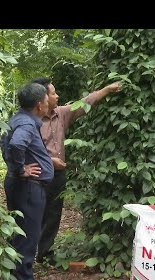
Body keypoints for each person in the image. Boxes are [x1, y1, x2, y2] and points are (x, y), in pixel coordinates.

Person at [31, 77, 122, 264]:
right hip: (36, 174)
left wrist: (106, 89)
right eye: (53, 93)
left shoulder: (61, 113)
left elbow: (85, 103)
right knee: (34, 212)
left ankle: (44, 253)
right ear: (43, 98)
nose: (57, 96)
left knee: (53, 213)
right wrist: (48, 161)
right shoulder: (30, 120)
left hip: (57, 175)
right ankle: (25, 255)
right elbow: (24, 151)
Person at [0, 82, 54, 280]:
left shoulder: (17, 119)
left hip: (20, 186)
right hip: (29, 188)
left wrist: (15, 168)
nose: (52, 99)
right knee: (28, 239)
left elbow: (6, 143)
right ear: (39, 105)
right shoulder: (27, 125)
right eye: (49, 97)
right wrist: (21, 169)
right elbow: (16, 145)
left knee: (17, 235)